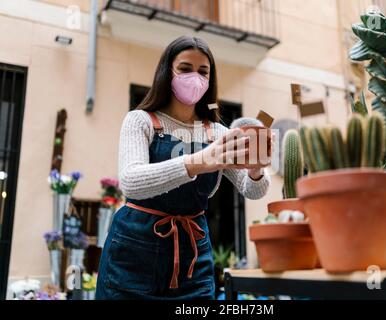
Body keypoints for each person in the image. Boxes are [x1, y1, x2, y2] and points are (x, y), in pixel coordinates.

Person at [95, 35, 272, 300]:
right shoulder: (140, 121)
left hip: (193, 259)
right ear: (168, 72)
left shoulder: (218, 132)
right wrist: (200, 161)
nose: (195, 77)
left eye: (203, 71)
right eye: (185, 68)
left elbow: (252, 190)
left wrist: (257, 169)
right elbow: (131, 181)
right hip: (133, 254)